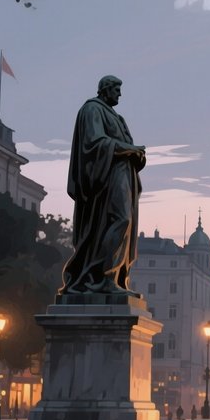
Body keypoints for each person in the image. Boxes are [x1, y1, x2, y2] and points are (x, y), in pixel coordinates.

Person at [61, 75, 146, 296]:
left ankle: (114, 277)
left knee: (125, 223)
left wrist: (137, 154)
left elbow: (125, 146)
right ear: (105, 89)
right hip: (107, 176)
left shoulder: (118, 117)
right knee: (121, 219)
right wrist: (129, 149)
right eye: (116, 89)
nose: (120, 94)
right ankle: (104, 277)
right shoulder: (92, 109)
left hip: (123, 174)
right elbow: (94, 142)